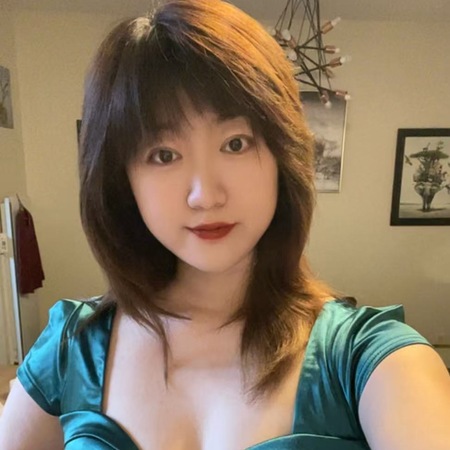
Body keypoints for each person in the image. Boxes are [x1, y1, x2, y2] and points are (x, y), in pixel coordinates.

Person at [1, 0, 450, 449]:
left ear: (283, 158)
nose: (206, 195)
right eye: (164, 154)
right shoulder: (71, 348)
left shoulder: (365, 358)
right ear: (122, 181)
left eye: (236, 143)